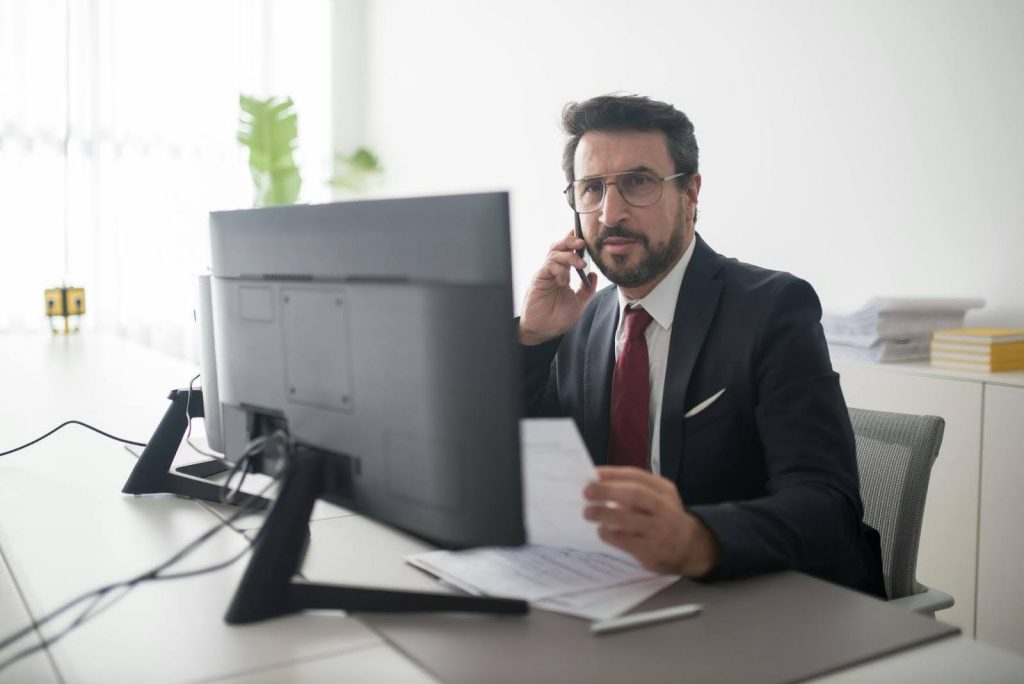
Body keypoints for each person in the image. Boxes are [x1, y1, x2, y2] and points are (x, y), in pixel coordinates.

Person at [519, 94, 885, 597]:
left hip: (753, 601)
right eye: (592, 188)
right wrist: (534, 340)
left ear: (691, 193)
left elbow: (827, 505)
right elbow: (523, 470)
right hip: (610, 592)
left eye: (638, 183)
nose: (611, 212)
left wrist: (696, 539)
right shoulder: (582, 320)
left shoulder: (774, 309)